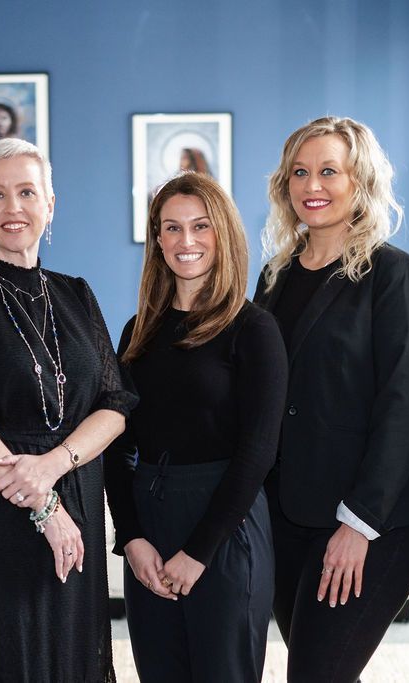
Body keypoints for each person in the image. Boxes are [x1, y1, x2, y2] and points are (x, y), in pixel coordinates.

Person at [0, 138, 137, 681]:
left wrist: (56, 466)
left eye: (27, 192)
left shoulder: (76, 294)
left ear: (50, 204)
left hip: (72, 503)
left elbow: (117, 403)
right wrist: (45, 507)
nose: (13, 207)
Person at [254, 116, 409, 682]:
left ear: (361, 181)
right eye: (300, 173)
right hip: (285, 515)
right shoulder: (272, 278)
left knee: (315, 674)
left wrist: (358, 525)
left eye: (329, 171)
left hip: (369, 522)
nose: (313, 186)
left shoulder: (393, 275)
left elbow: (403, 407)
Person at [104, 172, 287, 681]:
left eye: (200, 226)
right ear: (157, 239)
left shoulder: (254, 330)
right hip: (151, 523)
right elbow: (115, 440)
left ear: (222, 233)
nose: (186, 241)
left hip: (225, 527)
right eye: (172, 228)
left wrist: (198, 553)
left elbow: (258, 452)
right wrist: (131, 537)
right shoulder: (137, 331)